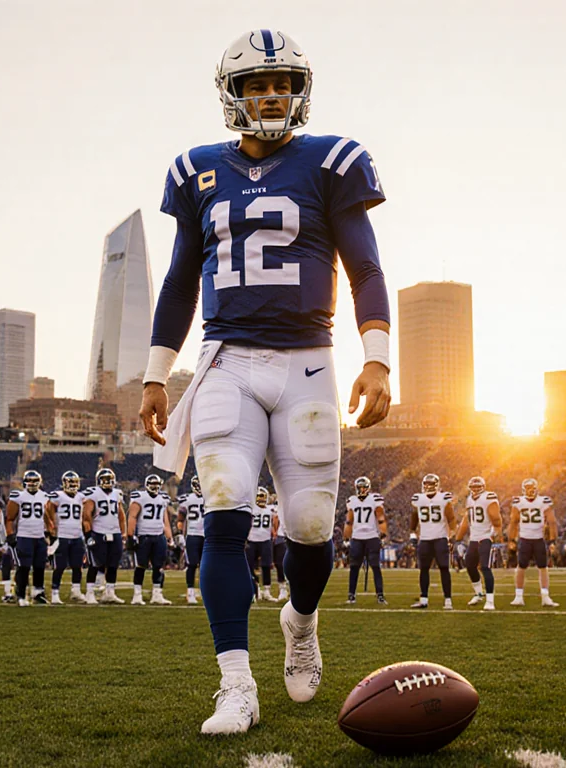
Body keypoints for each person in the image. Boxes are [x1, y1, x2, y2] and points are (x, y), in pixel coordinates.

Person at [137, 29, 391, 734]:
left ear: (299, 90)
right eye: (256, 84)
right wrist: (157, 375)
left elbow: (365, 268)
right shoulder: (196, 172)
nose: (271, 94)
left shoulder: (331, 161)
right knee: (222, 512)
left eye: (281, 82)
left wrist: (378, 357)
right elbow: (181, 279)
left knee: (310, 531)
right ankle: (235, 684)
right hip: (227, 362)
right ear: (233, 95)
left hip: (310, 361)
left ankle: (301, 623)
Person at [6, 470, 54, 606]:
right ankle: (21, 595)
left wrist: (50, 531)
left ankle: (38, 593)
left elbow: (46, 515)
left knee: (39, 566)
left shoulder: (44, 496)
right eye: (30, 481)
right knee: (24, 567)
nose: (32, 484)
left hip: (39, 536)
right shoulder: (18, 496)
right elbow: (10, 518)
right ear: (25, 482)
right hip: (24, 536)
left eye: (35, 481)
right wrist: (10, 534)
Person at [508, 478, 558, 607]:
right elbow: (514, 522)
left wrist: (552, 540)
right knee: (522, 566)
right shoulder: (519, 502)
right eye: (528, 489)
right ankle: (519, 596)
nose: (530, 492)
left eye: (532, 489)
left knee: (542, 567)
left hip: (538, 539)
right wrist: (512, 539)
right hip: (525, 538)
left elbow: (551, 522)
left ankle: (545, 596)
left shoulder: (543, 501)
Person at [410, 474, 456, 610]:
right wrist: (412, 534)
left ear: (437, 486)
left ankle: (448, 600)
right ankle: (423, 599)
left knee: (444, 568)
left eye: (431, 485)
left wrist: (452, 535)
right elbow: (413, 519)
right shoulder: (418, 499)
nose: (428, 487)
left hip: (440, 538)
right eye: (426, 484)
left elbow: (451, 519)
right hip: (424, 539)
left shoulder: (443, 498)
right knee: (423, 569)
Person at [453, 476, 500, 611]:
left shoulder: (489, 497)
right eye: (473, 487)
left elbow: (496, 517)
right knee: (469, 565)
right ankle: (479, 593)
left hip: (485, 537)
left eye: (477, 487)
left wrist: (496, 531)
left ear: (483, 487)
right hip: (473, 538)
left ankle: (490, 600)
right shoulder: (469, 499)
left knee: (485, 567)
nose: (475, 489)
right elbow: (467, 519)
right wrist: (458, 538)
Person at [128, 474, 174, 605]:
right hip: (144, 536)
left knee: (158, 567)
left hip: (159, 536)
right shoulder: (140, 497)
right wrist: (130, 535)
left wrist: (169, 537)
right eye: (152, 484)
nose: (154, 487)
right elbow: (132, 517)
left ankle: (157, 594)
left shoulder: (163, 498)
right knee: (141, 566)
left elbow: (165, 520)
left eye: (156, 484)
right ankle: (137, 595)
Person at [82, 468, 125, 604]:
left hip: (115, 532)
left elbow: (121, 515)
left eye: (109, 479)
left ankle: (110, 592)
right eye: (104, 479)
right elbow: (86, 516)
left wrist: (122, 533)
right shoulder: (93, 493)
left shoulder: (117, 494)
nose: (107, 482)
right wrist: (88, 535)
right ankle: (89, 593)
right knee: (95, 564)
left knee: (113, 565)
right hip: (99, 532)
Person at [343, 476, 387, 604]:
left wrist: (383, 534)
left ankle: (380, 595)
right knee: (354, 567)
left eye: (364, 487)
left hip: (372, 537)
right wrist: (346, 537)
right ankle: (351, 595)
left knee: (375, 566)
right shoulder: (352, 500)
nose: (361, 490)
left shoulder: (375, 499)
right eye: (359, 487)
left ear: (368, 488)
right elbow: (349, 520)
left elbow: (380, 517)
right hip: (357, 537)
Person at [48, 471, 88, 604]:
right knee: (60, 566)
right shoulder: (57, 496)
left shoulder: (81, 497)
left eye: (75, 483)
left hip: (77, 535)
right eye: (70, 482)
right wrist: (52, 529)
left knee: (78, 566)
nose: (73, 485)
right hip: (62, 536)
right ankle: (55, 593)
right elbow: (48, 510)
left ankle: (76, 591)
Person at [178, 476, 206, 605]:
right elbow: (180, 519)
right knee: (192, 564)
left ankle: (207, 591)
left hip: (207, 535)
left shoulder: (210, 498)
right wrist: (179, 534)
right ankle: (190, 592)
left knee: (207, 566)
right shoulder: (187, 499)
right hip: (193, 534)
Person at [246, 487, 276, 601]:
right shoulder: (252, 509)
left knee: (266, 566)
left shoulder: (270, 509)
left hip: (265, 540)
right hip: (252, 540)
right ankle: (254, 589)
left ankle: (266, 591)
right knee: (249, 566)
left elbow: (274, 523)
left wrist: (274, 533)